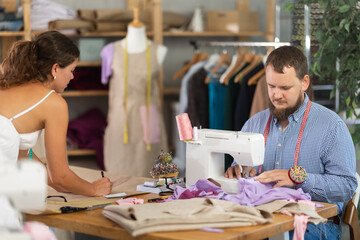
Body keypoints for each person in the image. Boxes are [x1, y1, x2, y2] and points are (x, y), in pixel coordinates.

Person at [225, 46, 357, 239]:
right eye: (271, 87)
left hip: (315, 225)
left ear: (304, 83)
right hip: (261, 220)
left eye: (285, 88)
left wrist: (297, 177)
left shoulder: (331, 126)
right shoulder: (254, 123)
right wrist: (237, 170)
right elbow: (238, 166)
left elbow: (346, 186)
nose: (276, 95)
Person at [0, 30, 112, 196]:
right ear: (55, 69)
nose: (73, 77)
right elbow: (60, 176)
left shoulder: (8, 84)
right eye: (72, 70)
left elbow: (21, 153)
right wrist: (93, 189)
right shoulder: (54, 103)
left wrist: (61, 183)